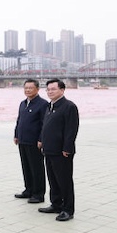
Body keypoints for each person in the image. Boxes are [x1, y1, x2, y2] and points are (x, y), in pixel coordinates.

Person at [38, 79, 79, 222]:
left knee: (64, 181)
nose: (50, 92)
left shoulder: (69, 106)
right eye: (48, 89)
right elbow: (46, 126)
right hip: (49, 150)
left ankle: (68, 209)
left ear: (62, 90)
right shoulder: (50, 106)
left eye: (53, 89)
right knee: (53, 179)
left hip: (62, 152)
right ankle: (56, 204)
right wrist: (42, 141)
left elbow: (71, 129)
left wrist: (67, 148)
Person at [13, 79, 49, 203]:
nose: (27, 90)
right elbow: (19, 121)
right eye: (26, 88)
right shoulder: (23, 103)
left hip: (35, 142)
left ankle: (38, 194)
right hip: (23, 140)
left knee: (36, 168)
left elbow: (45, 124)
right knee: (26, 166)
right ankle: (28, 190)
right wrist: (16, 134)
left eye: (30, 88)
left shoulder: (43, 104)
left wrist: (41, 139)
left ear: (37, 89)